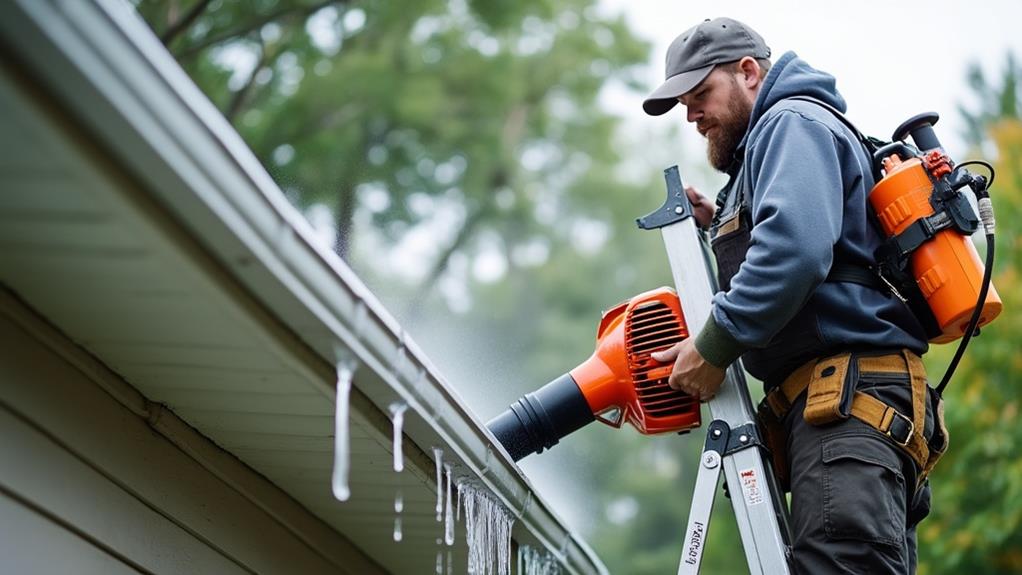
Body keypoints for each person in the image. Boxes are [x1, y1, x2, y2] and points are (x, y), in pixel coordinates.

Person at [644, 17, 947, 574]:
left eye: (700, 95)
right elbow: (807, 245)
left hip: (848, 406)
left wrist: (714, 345)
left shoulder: (791, 121)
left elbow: (795, 252)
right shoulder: (777, 139)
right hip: (847, 406)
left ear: (749, 72)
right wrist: (722, 225)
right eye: (684, 104)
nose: (692, 115)